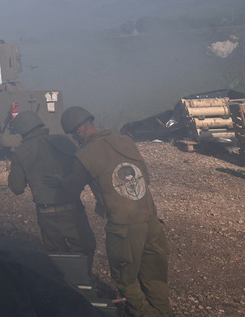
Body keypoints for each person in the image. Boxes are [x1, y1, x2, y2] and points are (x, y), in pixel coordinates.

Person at [50, 106, 172, 317]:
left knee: (125, 279)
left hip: (124, 228)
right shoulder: (126, 141)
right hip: (151, 220)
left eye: (73, 134)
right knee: (155, 277)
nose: (74, 138)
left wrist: (59, 183)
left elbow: (71, 190)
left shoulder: (85, 155)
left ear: (78, 131)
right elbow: (146, 178)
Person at [7, 110, 97, 272]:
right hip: (73, 211)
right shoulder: (64, 141)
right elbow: (82, 171)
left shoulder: (20, 152)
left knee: (57, 258)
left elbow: (16, 187)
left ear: (21, 130)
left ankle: (67, 287)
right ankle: (85, 283)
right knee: (85, 251)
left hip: (47, 215)